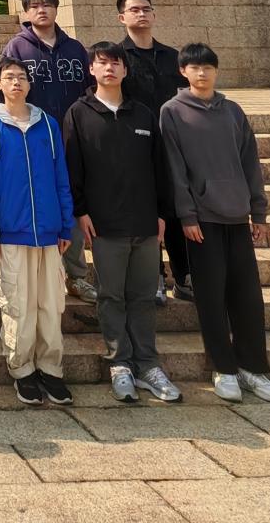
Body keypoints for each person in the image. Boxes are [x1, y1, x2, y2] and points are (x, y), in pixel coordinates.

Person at [158, 43, 270, 403]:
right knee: (211, 298)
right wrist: (187, 214)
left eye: (208, 67)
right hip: (202, 220)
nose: (202, 73)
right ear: (183, 71)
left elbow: (250, 162)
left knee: (247, 296)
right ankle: (223, 368)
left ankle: (252, 367)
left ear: (216, 70)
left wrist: (258, 211)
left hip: (237, 215)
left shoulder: (232, 111)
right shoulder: (172, 112)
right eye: (195, 67)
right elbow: (175, 168)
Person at [64, 41, 180, 403]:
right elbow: (72, 168)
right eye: (102, 63)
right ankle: (119, 363)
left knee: (143, 297)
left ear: (125, 70)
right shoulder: (78, 113)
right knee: (111, 296)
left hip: (145, 222)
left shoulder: (142, 114)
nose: (110, 68)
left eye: (116, 63)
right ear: (91, 69)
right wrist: (81, 212)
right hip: (104, 224)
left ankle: (148, 364)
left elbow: (160, 168)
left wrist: (161, 213)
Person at [0, 56, 75, 407]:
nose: (16, 82)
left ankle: (51, 368)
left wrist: (65, 223)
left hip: (48, 231)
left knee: (51, 303)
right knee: (18, 304)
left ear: (30, 84)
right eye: (9, 77)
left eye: (21, 77)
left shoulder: (47, 123)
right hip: (11, 231)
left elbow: (60, 176)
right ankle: (22, 369)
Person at [1, 0, 94, 302]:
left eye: (47, 5)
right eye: (35, 6)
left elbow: (89, 89)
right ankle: (43, 275)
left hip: (74, 138)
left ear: (56, 9)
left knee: (74, 201)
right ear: (26, 12)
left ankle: (76, 275)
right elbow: (7, 91)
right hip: (34, 137)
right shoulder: (16, 47)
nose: (41, 10)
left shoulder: (75, 48)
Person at [109, 0, 192, 303]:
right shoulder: (116, 57)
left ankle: (183, 276)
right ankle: (153, 276)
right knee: (146, 212)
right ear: (122, 17)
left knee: (176, 209)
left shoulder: (173, 57)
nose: (141, 14)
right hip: (135, 146)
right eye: (134, 10)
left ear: (154, 15)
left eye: (146, 9)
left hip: (173, 144)